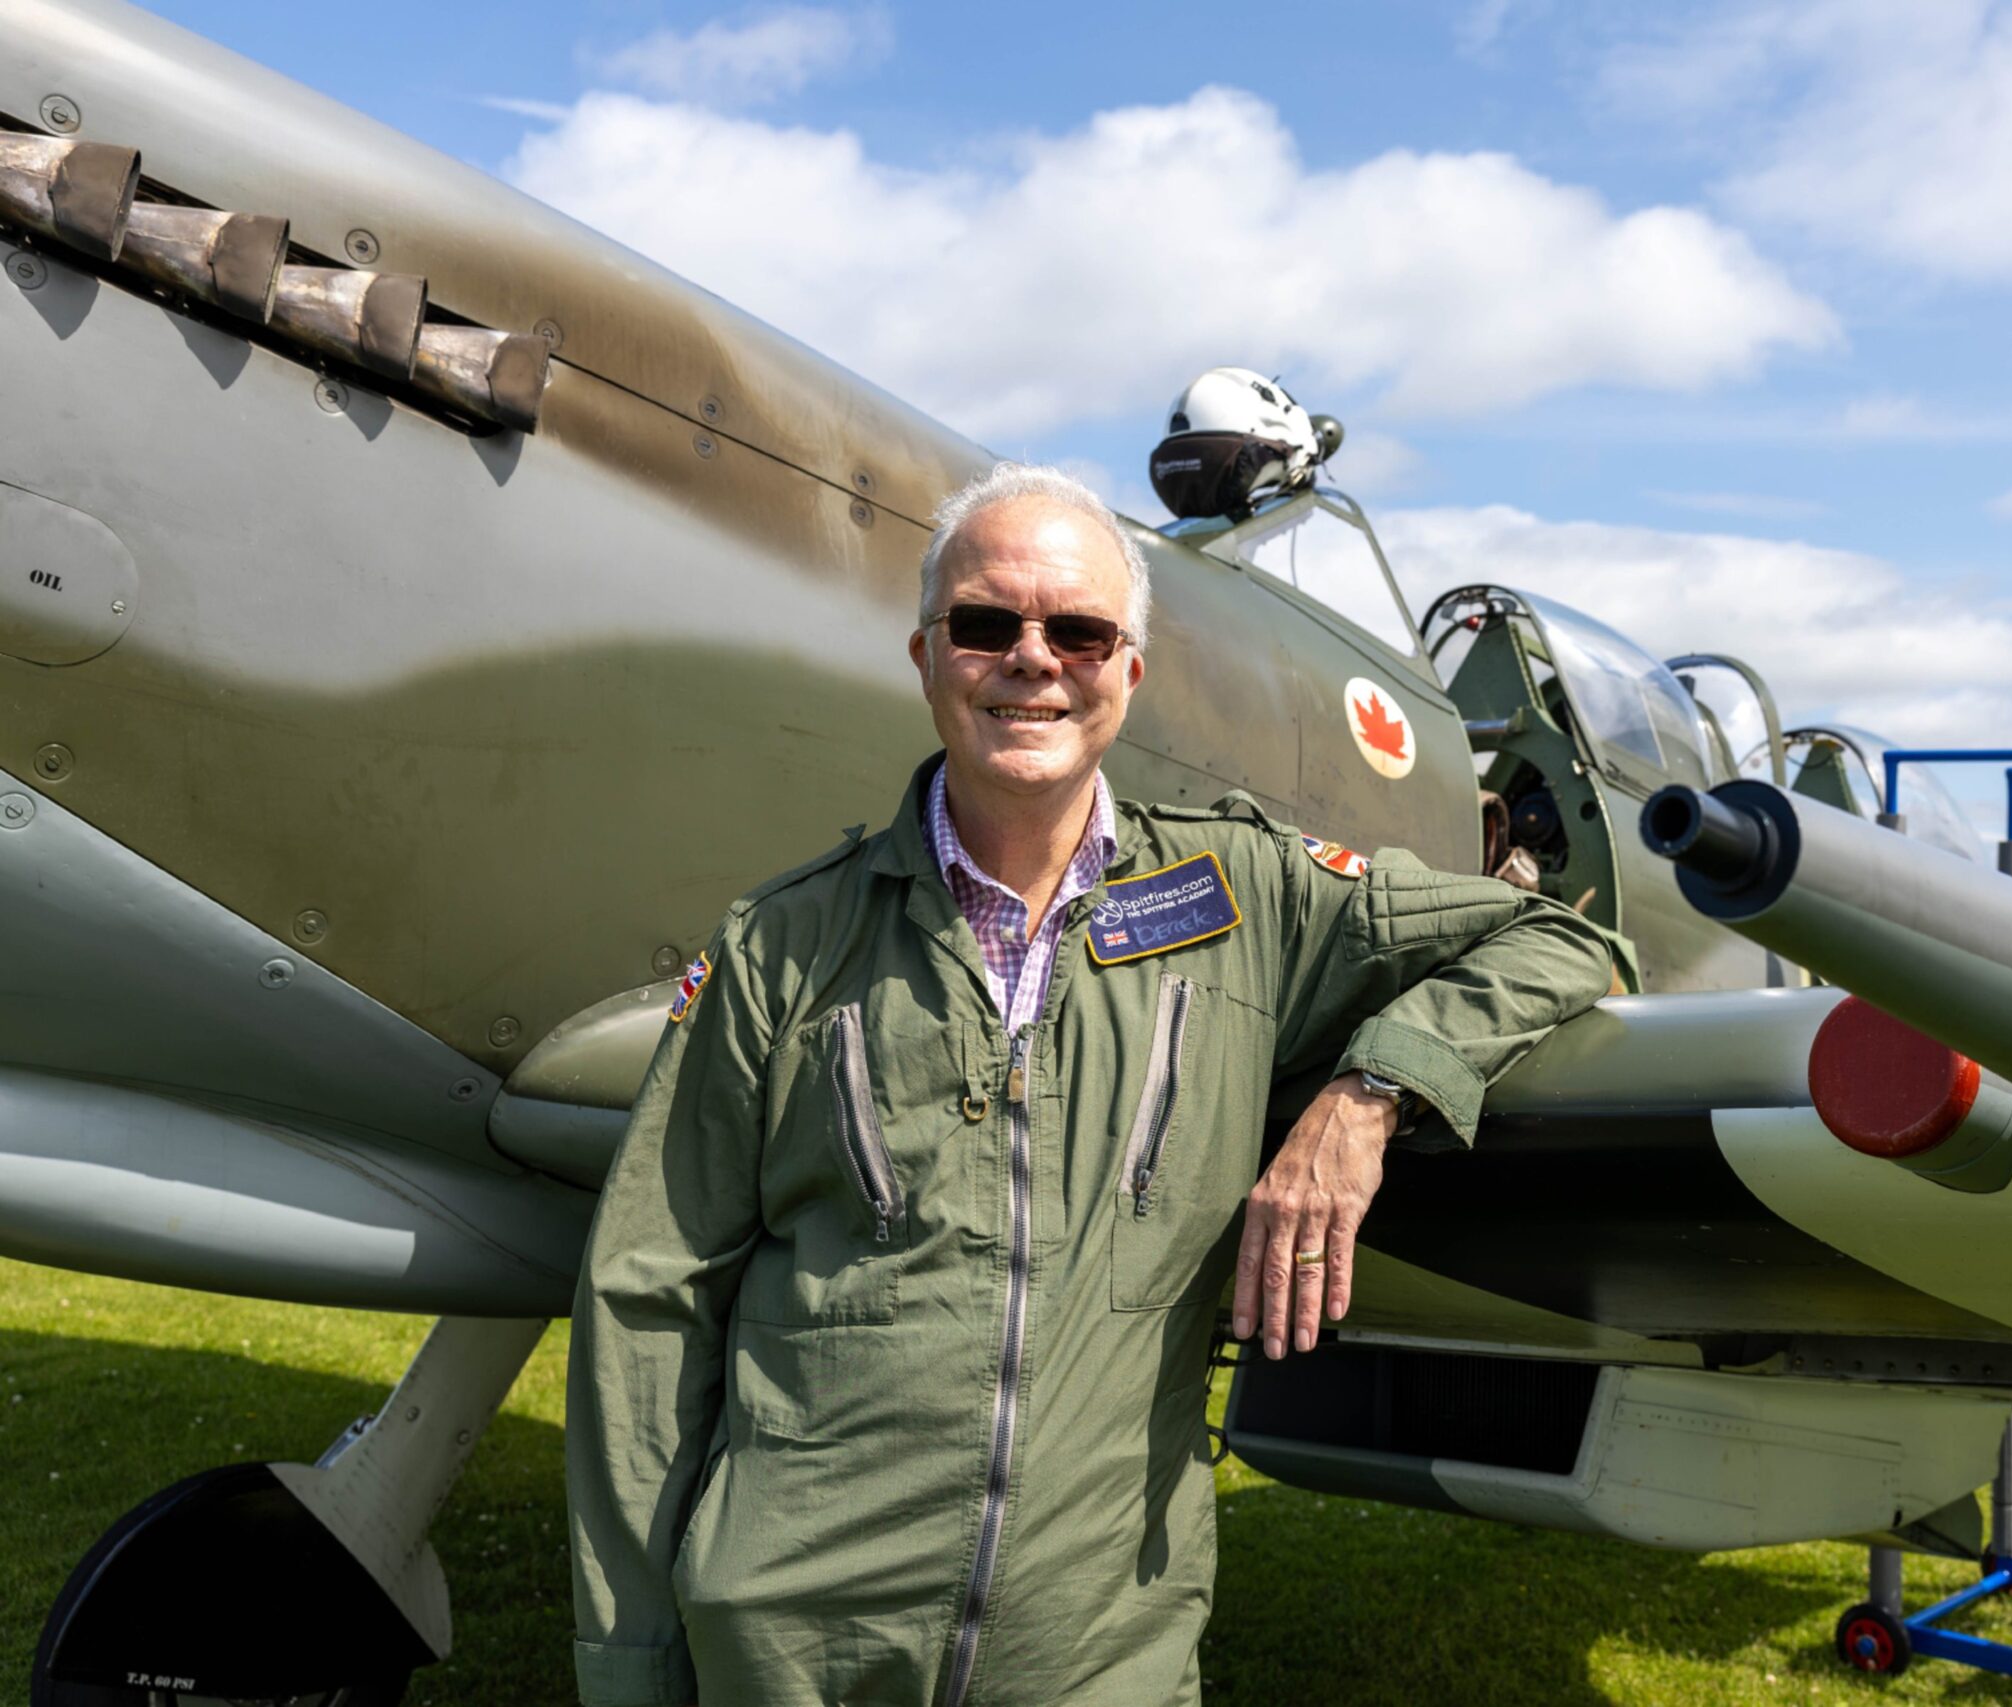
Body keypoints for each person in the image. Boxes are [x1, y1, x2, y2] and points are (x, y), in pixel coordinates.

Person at [566, 463, 1612, 1706]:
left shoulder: (1245, 892)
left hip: (1095, 1654)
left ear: (1127, 671)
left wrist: (1367, 1095)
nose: (1031, 659)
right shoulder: (777, 946)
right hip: (796, 1654)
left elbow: (1562, 939)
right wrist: (630, 1666)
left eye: (1076, 630)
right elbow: (646, 1306)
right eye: (984, 624)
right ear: (925, 654)